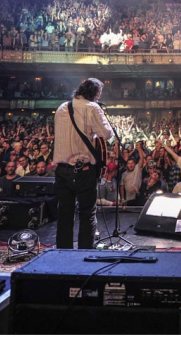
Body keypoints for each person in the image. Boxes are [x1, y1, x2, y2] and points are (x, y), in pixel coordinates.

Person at [53, 78, 115, 249]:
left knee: (65, 214)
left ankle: (63, 254)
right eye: (99, 94)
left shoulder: (61, 108)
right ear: (95, 93)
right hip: (83, 170)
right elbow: (107, 134)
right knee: (87, 214)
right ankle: (84, 254)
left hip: (61, 171)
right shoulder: (92, 108)